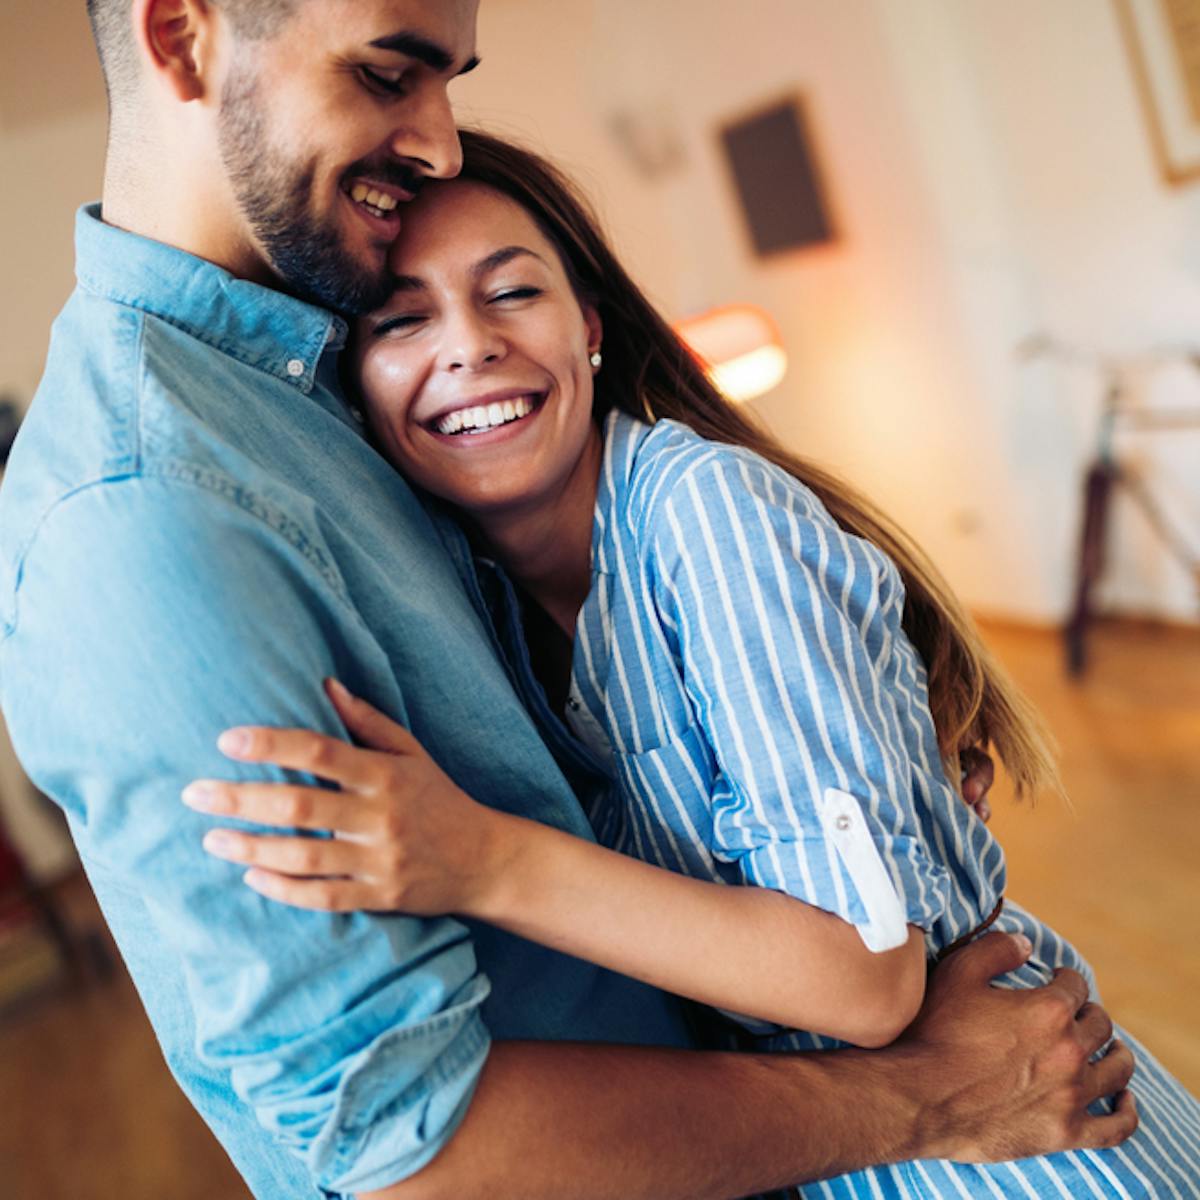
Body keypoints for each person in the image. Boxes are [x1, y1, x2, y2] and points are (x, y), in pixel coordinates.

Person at [0, 2, 1136, 1197]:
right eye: (391, 72)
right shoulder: (148, 510)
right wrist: (917, 1098)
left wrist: (852, 741)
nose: (438, 140)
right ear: (180, 35)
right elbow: (412, 1153)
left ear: (587, 324)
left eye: (450, 82)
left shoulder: (314, 388)